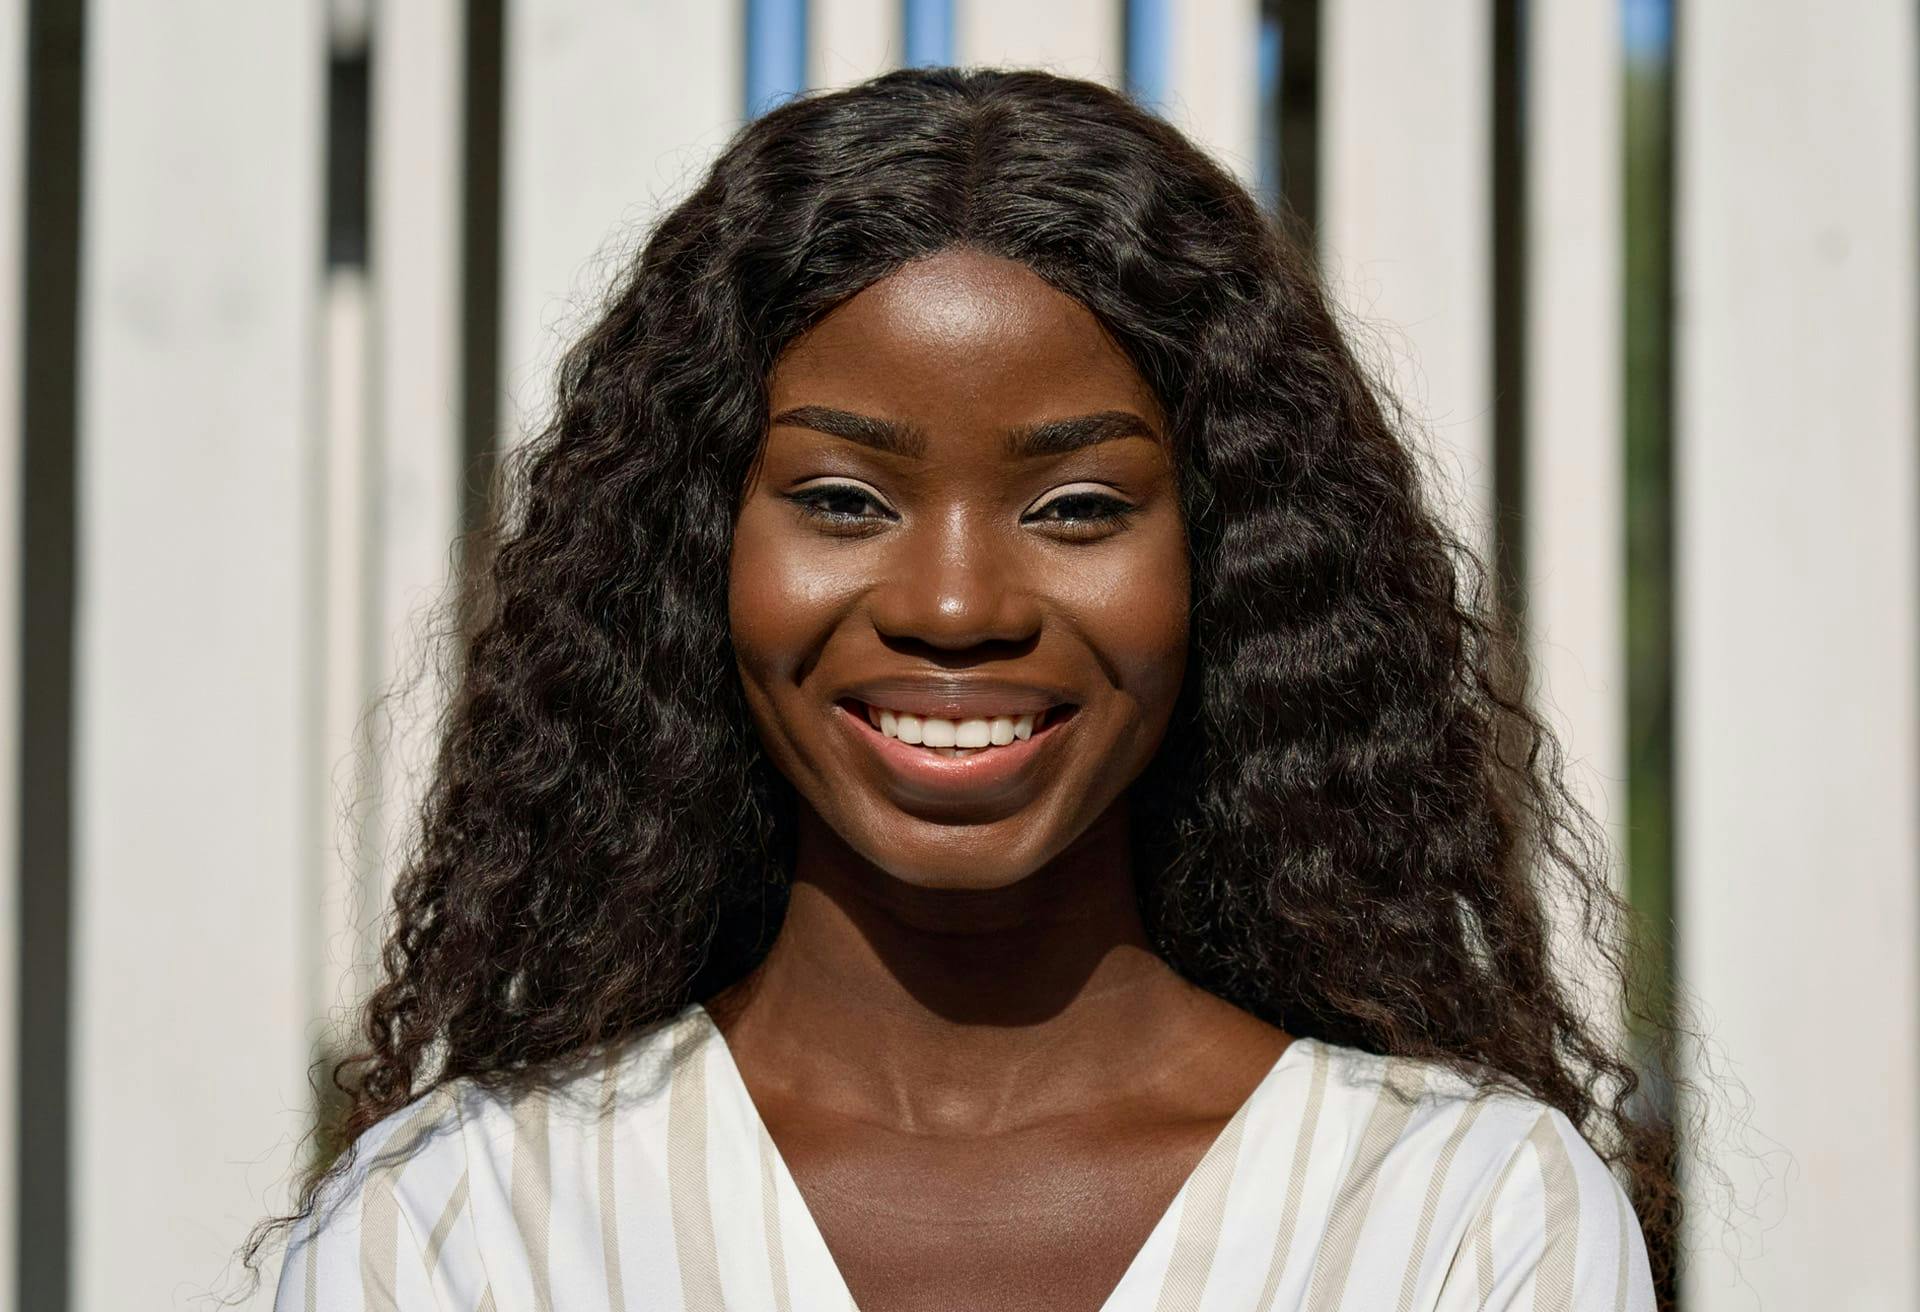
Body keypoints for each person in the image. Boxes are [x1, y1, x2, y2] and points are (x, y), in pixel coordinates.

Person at [252, 65, 1675, 1311]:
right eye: (841, 498)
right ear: (698, 554)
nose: (953, 607)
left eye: (1073, 507)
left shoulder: (1459, 1216)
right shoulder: (461, 1224)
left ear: (1225, 564)